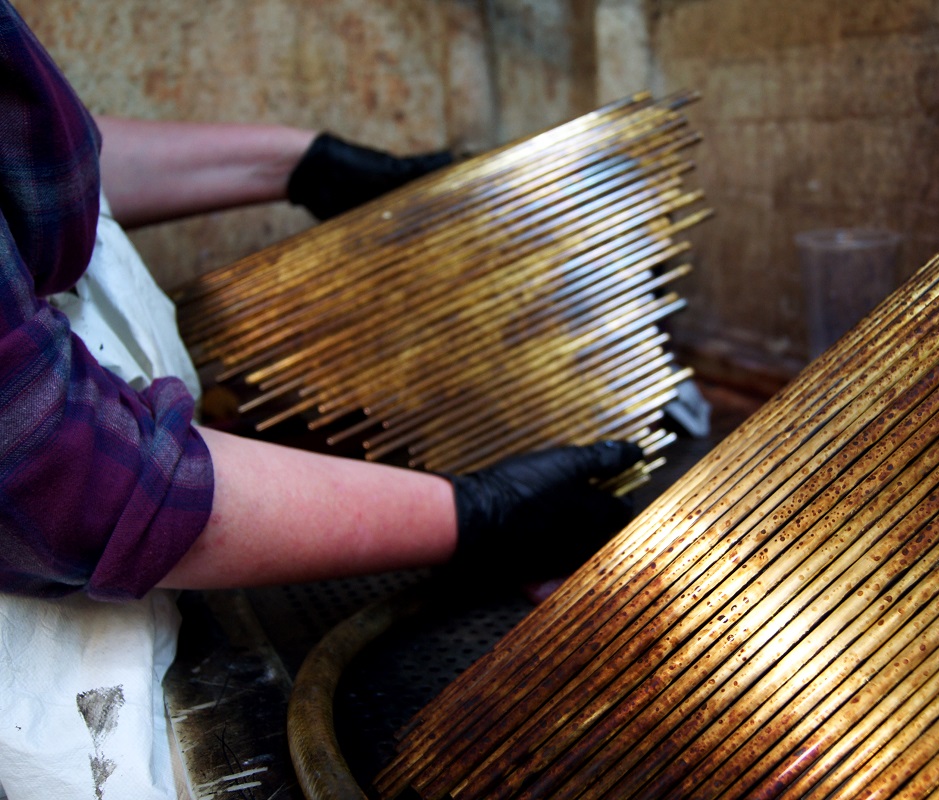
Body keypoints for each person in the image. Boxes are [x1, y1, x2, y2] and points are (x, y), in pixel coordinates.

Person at [0, 2, 641, 797]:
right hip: (65, 693)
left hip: (149, 562)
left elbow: (40, 161)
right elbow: (54, 472)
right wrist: (474, 514)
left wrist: (306, 163)